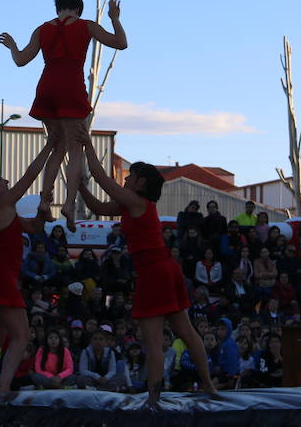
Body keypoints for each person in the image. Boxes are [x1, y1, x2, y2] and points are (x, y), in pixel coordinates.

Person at [78, 130, 216, 405]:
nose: (125, 179)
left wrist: (87, 144)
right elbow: (97, 205)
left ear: (140, 183)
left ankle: (154, 397)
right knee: (185, 331)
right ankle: (208, 386)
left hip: (155, 272)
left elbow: (103, 179)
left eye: (129, 176)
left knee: (153, 341)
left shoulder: (137, 202)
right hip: (162, 269)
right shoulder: (132, 204)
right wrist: (79, 187)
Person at [0, 0, 127, 229]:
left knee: (56, 146)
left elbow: (21, 60)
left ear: (57, 8)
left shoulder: (42, 29)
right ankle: (68, 203)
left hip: (47, 85)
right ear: (78, 9)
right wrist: (114, 18)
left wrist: (13, 46)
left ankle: (45, 201)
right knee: (75, 146)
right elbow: (121, 43)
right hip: (71, 84)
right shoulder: (86, 26)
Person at [0, 137, 56, 393]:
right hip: (1, 279)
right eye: (1, 179)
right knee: (21, 337)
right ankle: (4, 388)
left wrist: (43, 208)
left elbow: (36, 228)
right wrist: (49, 146)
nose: (7, 182)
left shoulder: (5, 212)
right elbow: (30, 175)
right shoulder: (1, 206)